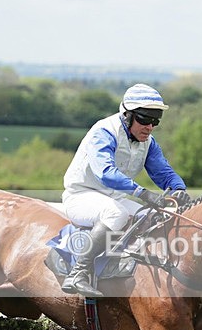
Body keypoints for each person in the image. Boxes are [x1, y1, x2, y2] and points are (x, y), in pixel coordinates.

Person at [61, 83, 191, 297]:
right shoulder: (103, 131)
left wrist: (178, 189)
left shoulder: (148, 142)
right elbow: (105, 172)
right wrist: (143, 193)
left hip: (114, 197)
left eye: (155, 121)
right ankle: (78, 272)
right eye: (144, 120)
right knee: (116, 213)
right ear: (127, 115)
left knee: (152, 216)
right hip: (81, 196)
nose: (149, 127)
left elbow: (163, 172)